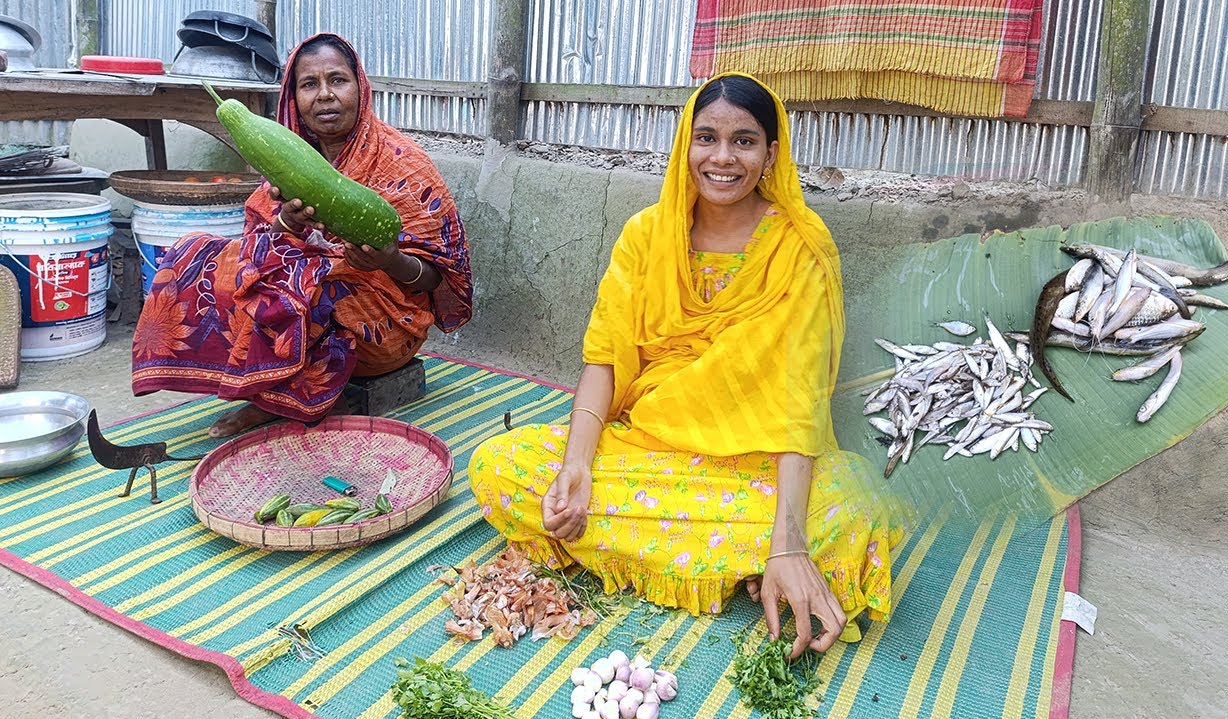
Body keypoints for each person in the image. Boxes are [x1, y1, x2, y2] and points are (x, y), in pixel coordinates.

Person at [469, 73, 901, 659]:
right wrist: (578, 467)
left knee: (856, 501)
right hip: (643, 448)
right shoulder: (645, 236)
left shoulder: (799, 247)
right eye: (707, 138)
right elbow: (606, 360)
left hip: (757, 459)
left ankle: (772, 556)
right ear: (684, 144)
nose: (722, 158)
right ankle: (746, 563)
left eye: (744, 141)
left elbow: (797, 401)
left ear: (772, 153)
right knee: (499, 464)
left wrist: (789, 537)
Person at [132, 34, 472, 437]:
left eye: (337, 80)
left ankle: (294, 398)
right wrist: (287, 225)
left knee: (303, 282)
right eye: (309, 84)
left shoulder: (405, 164)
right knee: (198, 256)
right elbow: (255, 245)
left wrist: (389, 260)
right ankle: (269, 390)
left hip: (382, 323)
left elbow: (443, 276)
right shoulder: (283, 157)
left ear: (360, 87)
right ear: (293, 97)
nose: (325, 95)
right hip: (315, 295)